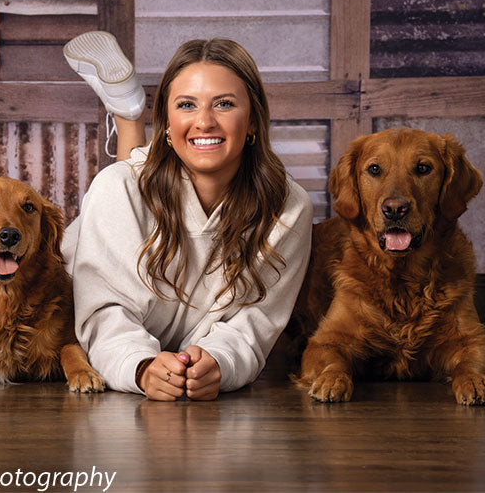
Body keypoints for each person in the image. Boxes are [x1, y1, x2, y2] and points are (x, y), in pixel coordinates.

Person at [61, 31, 313, 401]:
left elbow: (255, 323)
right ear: (165, 122)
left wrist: (219, 361)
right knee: (128, 182)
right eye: (186, 105)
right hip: (68, 292)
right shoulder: (115, 190)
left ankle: (129, 114)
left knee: (136, 179)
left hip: (179, 346)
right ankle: (129, 116)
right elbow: (103, 313)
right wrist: (141, 366)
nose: (205, 121)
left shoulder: (289, 208)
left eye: (224, 104)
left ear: (254, 120)